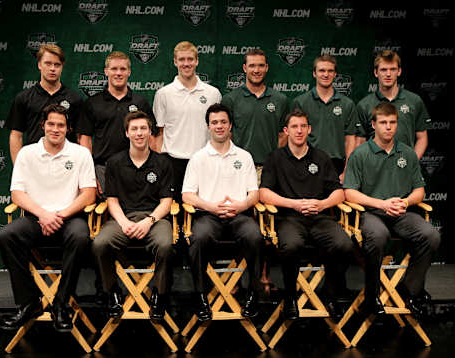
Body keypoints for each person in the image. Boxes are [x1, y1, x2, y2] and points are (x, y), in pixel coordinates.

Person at [0, 104, 96, 332]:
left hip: (69, 217)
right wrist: (43, 214)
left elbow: (89, 194)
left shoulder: (80, 153)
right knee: (6, 236)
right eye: (51, 124)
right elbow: (17, 194)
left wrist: (59, 215)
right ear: (43, 125)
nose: (55, 129)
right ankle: (28, 302)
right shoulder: (27, 153)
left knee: (81, 237)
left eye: (61, 125)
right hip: (36, 218)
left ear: (68, 129)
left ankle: (61, 304)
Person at [344, 102, 440, 317]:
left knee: (431, 235)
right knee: (378, 236)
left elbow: (419, 191)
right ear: (373, 125)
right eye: (384, 122)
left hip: (401, 213)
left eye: (393, 122)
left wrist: (405, 202)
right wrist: (382, 203)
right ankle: (371, 295)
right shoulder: (360, 154)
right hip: (371, 213)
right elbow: (349, 193)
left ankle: (410, 291)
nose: (388, 127)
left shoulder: (407, 152)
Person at [259, 109, 353, 320]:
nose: (299, 131)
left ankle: (331, 295)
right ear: (286, 130)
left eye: (303, 126)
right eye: (294, 127)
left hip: (320, 217)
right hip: (289, 218)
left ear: (309, 129)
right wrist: (293, 204)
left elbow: (339, 192)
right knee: (291, 246)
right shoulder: (275, 158)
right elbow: (264, 193)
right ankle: (290, 297)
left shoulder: (321, 156)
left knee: (344, 244)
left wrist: (321, 204)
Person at [182, 103, 264, 321]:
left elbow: (254, 194)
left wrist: (240, 206)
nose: (219, 126)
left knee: (255, 236)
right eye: (214, 122)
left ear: (230, 126)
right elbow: (187, 195)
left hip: (239, 215)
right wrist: (211, 207)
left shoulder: (244, 156)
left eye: (223, 122)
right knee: (197, 239)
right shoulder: (198, 157)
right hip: (208, 215)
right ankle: (200, 296)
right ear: (208, 126)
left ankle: (253, 294)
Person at [91, 111, 176, 321]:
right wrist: (124, 223)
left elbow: (167, 202)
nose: (139, 133)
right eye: (134, 129)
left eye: (143, 129)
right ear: (127, 133)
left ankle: (160, 295)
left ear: (150, 133)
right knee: (100, 243)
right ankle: (112, 293)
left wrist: (149, 222)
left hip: (154, 219)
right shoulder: (114, 163)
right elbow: (112, 200)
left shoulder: (163, 163)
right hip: (123, 218)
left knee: (165, 245)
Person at [77, 51, 157, 197]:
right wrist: (89, 175)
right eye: (114, 69)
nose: (118, 73)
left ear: (129, 72)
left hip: (137, 168)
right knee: (104, 211)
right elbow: (85, 141)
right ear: (106, 71)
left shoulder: (140, 102)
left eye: (123, 69)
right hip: (103, 169)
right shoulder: (92, 103)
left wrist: (151, 168)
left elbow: (151, 139)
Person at [153, 41, 221, 202]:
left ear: (197, 61)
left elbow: (218, 131)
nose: (186, 64)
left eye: (190, 59)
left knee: (202, 210)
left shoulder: (213, 93)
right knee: (173, 211)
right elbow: (158, 133)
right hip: (172, 162)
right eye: (182, 60)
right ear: (175, 62)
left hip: (204, 160)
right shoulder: (163, 94)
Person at [6, 44, 82, 163]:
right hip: (34, 162)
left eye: (57, 64)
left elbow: (80, 137)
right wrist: (19, 168)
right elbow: (16, 135)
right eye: (48, 63)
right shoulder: (24, 98)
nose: (52, 68)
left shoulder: (74, 99)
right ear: (39, 65)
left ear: (62, 67)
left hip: (66, 163)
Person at [221, 48, 289, 180]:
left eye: (261, 65)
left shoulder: (280, 100)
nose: (256, 70)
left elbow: (283, 135)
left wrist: (272, 160)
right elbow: (226, 135)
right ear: (245, 68)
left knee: (269, 201)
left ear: (267, 68)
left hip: (270, 168)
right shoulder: (230, 99)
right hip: (238, 167)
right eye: (252, 65)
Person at [292, 55, 357, 181]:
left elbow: (350, 140)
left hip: (337, 165)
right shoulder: (301, 102)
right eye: (321, 70)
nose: (326, 74)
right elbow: (294, 137)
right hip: (306, 162)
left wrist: (347, 170)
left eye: (330, 71)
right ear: (314, 73)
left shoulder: (347, 104)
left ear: (335, 74)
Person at [356, 50, 431, 159]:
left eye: (393, 69)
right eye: (383, 70)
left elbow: (422, 138)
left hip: (405, 168)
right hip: (375, 170)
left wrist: (411, 162)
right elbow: (360, 142)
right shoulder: (364, 105)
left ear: (399, 71)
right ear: (376, 73)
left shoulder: (414, 101)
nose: (388, 74)